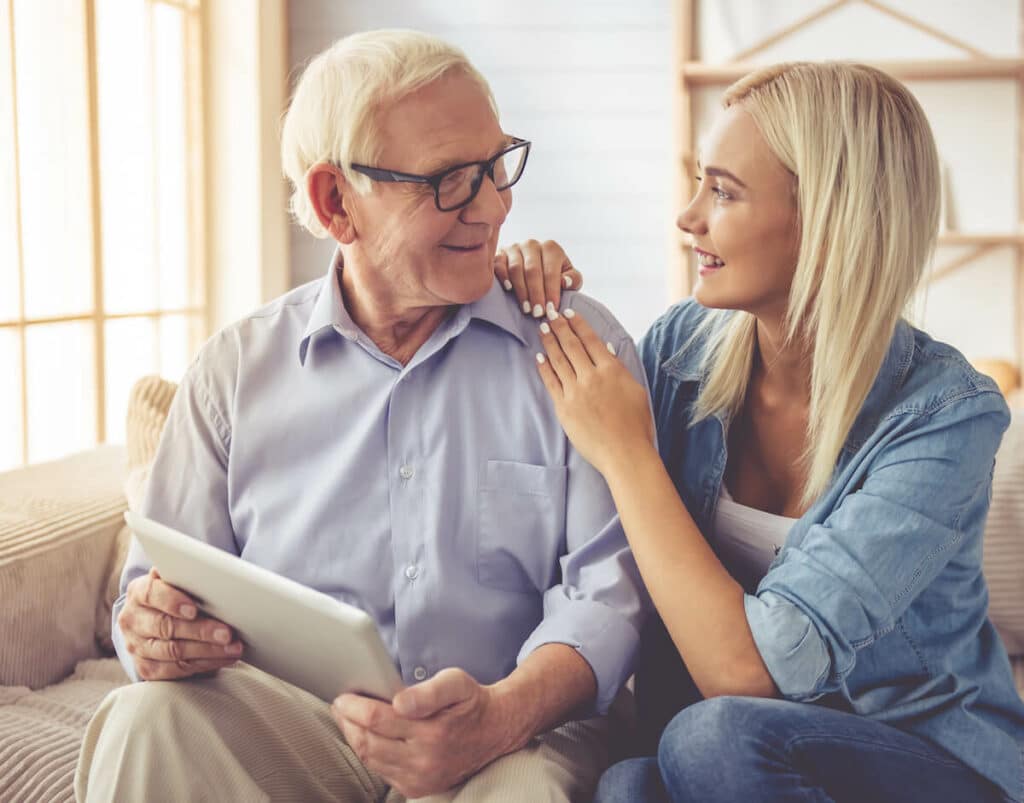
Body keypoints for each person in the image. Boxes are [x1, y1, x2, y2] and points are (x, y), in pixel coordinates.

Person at [74, 30, 651, 803]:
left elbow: (607, 597)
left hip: (513, 732)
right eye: (450, 180)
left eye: (495, 165)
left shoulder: (574, 344)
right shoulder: (232, 375)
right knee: (145, 720)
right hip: (300, 725)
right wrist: (148, 628)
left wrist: (498, 715)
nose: (495, 205)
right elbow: (154, 586)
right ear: (334, 202)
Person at [495, 62, 1024, 803]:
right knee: (627, 787)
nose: (688, 217)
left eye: (724, 191)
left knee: (712, 735)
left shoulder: (946, 415)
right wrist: (524, 291)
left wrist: (627, 453)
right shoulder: (681, 350)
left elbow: (747, 677)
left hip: (929, 758)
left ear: (829, 220)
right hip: (741, 764)